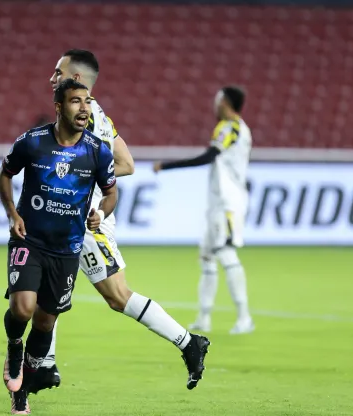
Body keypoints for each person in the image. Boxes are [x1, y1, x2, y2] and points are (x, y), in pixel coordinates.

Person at [29, 49, 211, 396]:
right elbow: (126, 162)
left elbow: (121, 164)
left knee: (116, 295)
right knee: (46, 289)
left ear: (77, 79)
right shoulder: (97, 115)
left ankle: (189, 343)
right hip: (70, 217)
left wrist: (88, 189)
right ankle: (45, 365)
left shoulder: (86, 119)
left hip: (83, 221)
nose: (52, 77)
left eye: (58, 72)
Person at [0, 79, 118, 414]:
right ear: (59, 107)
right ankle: (13, 349)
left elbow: (111, 192)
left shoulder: (97, 150)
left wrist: (100, 213)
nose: (84, 108)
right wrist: (12, 213)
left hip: (66, 250)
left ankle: (22, 392)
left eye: (88, 101)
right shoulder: (32, 142)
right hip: (29, 239)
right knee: (23, 308)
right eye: (76, 101)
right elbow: (4, 174)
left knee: (45, 323)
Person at [153, 86, 255, 335]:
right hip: (218, 202)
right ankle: (204, 317)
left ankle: (244, 317)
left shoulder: (229, 127)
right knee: (208, 257)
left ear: (225, 102)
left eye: (218, 99)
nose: (214, 103)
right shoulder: (237, 128)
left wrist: (167, 166)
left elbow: (208, 157)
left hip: (229, 203)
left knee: (227, 254)